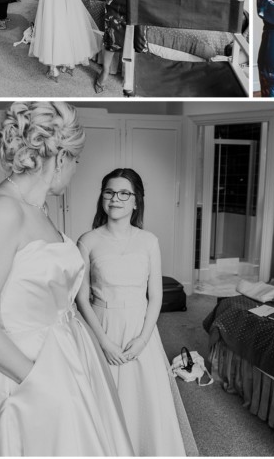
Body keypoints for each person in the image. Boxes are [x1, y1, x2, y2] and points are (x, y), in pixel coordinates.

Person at [0, 102, 133, 456]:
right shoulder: (1, 211)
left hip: (63, 351)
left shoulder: (38, 207)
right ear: (61, 157)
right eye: (77, 160)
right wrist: (41, 382)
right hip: (22, 367)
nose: (77, 170)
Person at [76, 168, 193, 456]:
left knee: (145, 401)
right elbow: (80, 299)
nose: (116, 198)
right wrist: (103, 342)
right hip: (102, 325)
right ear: (102, 197)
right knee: (104, 398)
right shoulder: (87, 241)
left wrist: (142, 339)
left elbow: (155, 297)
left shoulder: (149, 241)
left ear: (136, 201)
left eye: (124, 193)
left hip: (141, 330)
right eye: (109, 192)